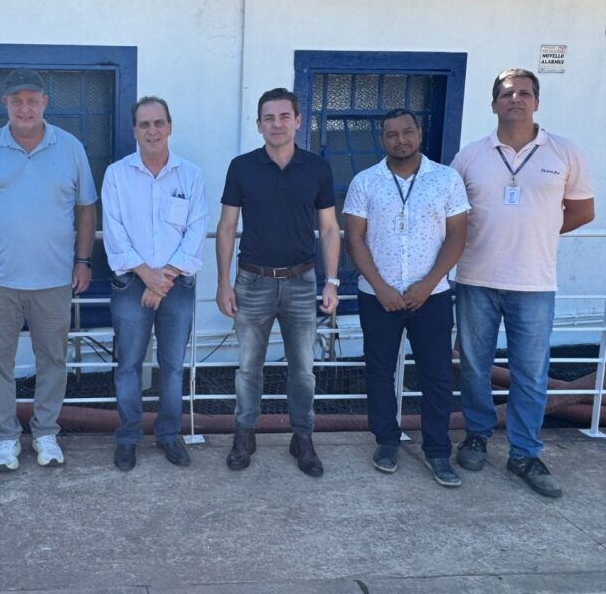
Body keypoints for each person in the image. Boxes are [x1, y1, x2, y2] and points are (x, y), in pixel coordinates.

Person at [451, 68, 594, 498]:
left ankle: (524, 453)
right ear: (493, 103)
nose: (516, 99)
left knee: (531, 372)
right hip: (476, 277)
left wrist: (538, 231)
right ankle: (476, 435)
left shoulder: (564, 152)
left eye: (525, 93)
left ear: (536, 102)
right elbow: (452, 215)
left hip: (534, 281)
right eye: (508, 93)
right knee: (475, 366)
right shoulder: (470, 156)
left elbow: (582, 211)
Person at [0, 69, 97, 471]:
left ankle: (46, 433)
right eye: (16, 100)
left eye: (31, 100)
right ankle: (4, 438)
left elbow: (86, 209)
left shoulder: (70, 147)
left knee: (52, 359)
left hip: (54, 279)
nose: (24, 107)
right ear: (5, 104)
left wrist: (83, 260)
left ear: (45, 103)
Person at [215, 87, 340, 477]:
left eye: (284, 116)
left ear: (298, 121)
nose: (277, 124)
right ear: (258, 125)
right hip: (252, 281)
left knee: (303, 369)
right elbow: (226, 227)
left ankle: (302, 436)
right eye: (269, 118)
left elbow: (330, 228)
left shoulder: (317, 168)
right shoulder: (241, 167)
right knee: (248, 367)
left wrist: (332, 281)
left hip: (302, 281)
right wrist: (223, 282)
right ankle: (244, 433)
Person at [343, 109, 469, 487]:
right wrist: (380, 286)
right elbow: (354, 239)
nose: (401, 139)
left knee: (436, 375)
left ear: (419, 133)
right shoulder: (365, 182)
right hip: (377, 295)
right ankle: (386, 441)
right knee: (379, 372)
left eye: (407, 131)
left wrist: (428, 284)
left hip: (430, 295)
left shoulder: (446, 180)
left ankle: (437, 451)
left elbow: (457, 238)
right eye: (392, 134)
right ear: (382, 140)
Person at [101, 97, 208, 471]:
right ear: (134, 130)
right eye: (144, 124)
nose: (152, 131)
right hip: (131, 284)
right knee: (128, 365)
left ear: (170, 126)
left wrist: (164, 279)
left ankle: (168, 435)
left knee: (172, 365)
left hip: (176, 285)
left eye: (158, 123)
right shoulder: (116, 175)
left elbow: (196, 229)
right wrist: (147, 275)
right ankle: (128, 437)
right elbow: (113, 230)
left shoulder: (190, 176)